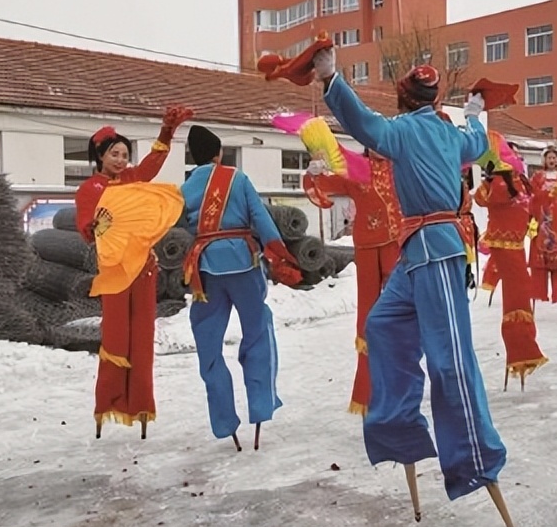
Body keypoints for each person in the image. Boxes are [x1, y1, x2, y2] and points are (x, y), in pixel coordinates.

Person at [311, 46, 516, 527]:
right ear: (435, 99)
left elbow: (363, 123)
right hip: (415, 253)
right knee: (382, 326)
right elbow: (475, 142)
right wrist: (475, 112)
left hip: (438, 250)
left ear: (403, 100)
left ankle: (477, 460)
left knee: (451, 361)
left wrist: (332, 79)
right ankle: (402, 430)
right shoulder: (450, 132)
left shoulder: (403, 131)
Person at [181, 125, 303, 451]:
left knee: (208, 344)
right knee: (258, 333)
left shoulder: (185, 187)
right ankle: (261, 406)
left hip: (205, 271)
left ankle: (225, 422)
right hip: (243, 263)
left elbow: (175, 226)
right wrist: (280, 256)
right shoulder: (236, 178)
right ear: (218, 154)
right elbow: (261, 218)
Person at [75, 105, 193, 439]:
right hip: (114, 270)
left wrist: (167, 132)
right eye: (115, 154)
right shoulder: (90, 189)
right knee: (115, 336)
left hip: (144, 267)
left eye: (125, 155)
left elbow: (151, 165)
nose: (121, 160)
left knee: (142, 337)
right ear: (100, 156)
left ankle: (141, 403)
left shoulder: (132, 179)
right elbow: (86, 225)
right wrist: (93, 227)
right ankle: (107, 403)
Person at [304, 150, 402, 415]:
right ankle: (367, 392)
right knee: (368, 317)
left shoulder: (401, 162)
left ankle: (400, 386)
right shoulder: (355, 168)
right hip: (368, 247)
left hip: (398, 243)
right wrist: (314, 174)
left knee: (400, 314)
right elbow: (323, 188)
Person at [473, 162, 547, 391]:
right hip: (506, 249)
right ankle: (521, 351)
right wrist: (491, 177)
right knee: (518, 298)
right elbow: (482, 199)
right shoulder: (500, 183)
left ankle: (523, 350)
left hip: (516, 248)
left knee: (519, 296)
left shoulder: (517, 183)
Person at [529, 146, 557, 319]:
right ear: (544, 160)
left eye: (554, 157)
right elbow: (531, 198)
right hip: (542, 223)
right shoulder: (537, 178)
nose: (552, 160)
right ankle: (537, 294)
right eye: (549, 157)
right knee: (539, 261)